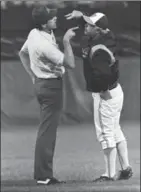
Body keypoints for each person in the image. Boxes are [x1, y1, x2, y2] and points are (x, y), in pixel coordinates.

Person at [65, 10, 133, 182]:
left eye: (90, 25)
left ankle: (109, 175)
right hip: (115, 91)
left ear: (99, 30)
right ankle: (125, 168)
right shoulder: (103, 38)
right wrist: (81, 17)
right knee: (115, 130)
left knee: (105, 133)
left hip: (106, 92)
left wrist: (103, 92)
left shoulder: (99, 48)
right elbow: (94, 30)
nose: (86, 26)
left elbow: (103, 74)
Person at [19, 5, 78, 185]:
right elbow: (70, 63)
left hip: (42, 83)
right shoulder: (44, 45)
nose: (55, 19)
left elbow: (22, 54)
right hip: (50, 86)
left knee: (47, 131)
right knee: (47, 132)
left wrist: (33, 76)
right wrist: (67, 42)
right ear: (44, 23)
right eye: (52, 18)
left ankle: (43, 173)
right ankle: (44, 176)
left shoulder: (34, 33)